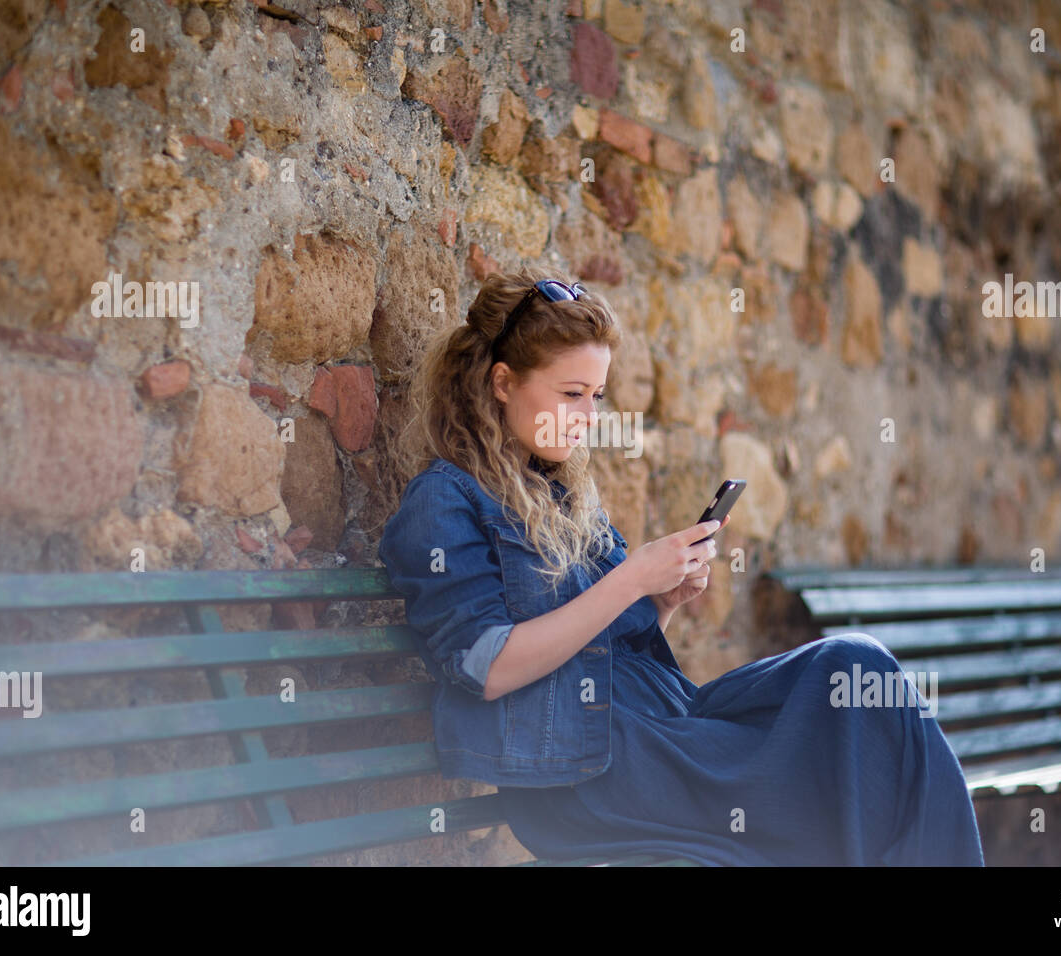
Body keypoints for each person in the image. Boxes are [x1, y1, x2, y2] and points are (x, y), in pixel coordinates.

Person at [377, 266, 985, 866]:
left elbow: (617, 648)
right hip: (584, 773)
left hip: (666, 728)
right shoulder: (444, 500)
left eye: (596, 396)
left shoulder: (560, 496)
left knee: (856, 672)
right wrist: (631, 579)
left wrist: (662, 600)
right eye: (571, 394)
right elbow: (485, 668)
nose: (587, 417)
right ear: (503, 383)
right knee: (833, 776)